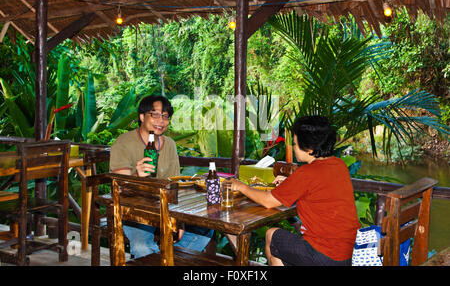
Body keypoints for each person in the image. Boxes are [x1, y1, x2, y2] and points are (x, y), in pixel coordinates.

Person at [230, 115, 360, 266]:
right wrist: (290, 183)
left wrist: (241, 186)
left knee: (271, 235)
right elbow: (320, 187)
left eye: (296, 144)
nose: (293, 147)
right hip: (348, 253)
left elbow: (268, 201)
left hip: (325, 254)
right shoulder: (339, 165)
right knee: (280, 253)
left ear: (309, 149)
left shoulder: (306, 173)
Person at [110, 94, 213, 259]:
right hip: (134, 210)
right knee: (142, 246)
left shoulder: (170, 144)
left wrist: (181, 221)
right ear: (142, 117)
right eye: (155, 114)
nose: (161, 121)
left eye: (165, 116)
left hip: (165, 207)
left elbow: (175, 183)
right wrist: (137, 175)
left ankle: (169, 259)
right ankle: (162, 259)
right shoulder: (124, 142)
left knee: (206, 228)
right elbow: (119, 185)